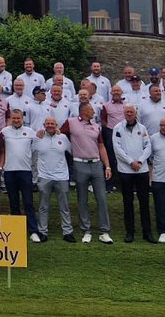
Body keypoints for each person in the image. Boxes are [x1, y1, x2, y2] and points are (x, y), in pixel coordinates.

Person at [60, 102, 114, 244]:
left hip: (96, 164)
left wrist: (107, 166)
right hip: (79, 164)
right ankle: (86, 230)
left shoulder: (96, 126)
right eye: (91, 111)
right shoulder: (71, 122)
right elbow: (59, 135)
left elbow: (101, 146)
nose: (94, 113)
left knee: (101, 198)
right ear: (84, 111)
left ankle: (104, 231)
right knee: (82, 199)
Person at [112, 105, 154, 243]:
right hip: (125, 170)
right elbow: (117, 148)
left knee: (144, 202)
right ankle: (130, 232)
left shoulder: (142, 128)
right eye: (127, 112)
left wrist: (140, 161)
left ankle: (147, 232)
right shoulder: (118, 128)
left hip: (142, 170)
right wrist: (131, 162)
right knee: (127, 202)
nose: (129, 114)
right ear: (124, 113)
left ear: (135, 113)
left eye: (131, 112)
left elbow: (148, 146)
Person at [1, 109, 42, 239]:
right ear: (11, 118)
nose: (16, 120)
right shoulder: (4, 132)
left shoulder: (30, 132)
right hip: (9, 171)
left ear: (22, 119)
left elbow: (37, 148)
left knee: (28, 202)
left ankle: (33, 230)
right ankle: (17, 230)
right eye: (14, 118)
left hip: (25, 171)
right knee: (13, 202)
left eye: (18, 118)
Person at [33, 117, 74, 243]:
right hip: (44, 176)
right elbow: (31, 154)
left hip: (61, 176)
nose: (50, 125)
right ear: (44, 125)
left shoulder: (63, 138)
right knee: (43, 206)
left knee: (64, 206)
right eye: (48, 123)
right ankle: (43, 231)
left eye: (52, 124)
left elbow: (72, 152)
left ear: (56, 125)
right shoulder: (38, 138)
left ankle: (67, 232)